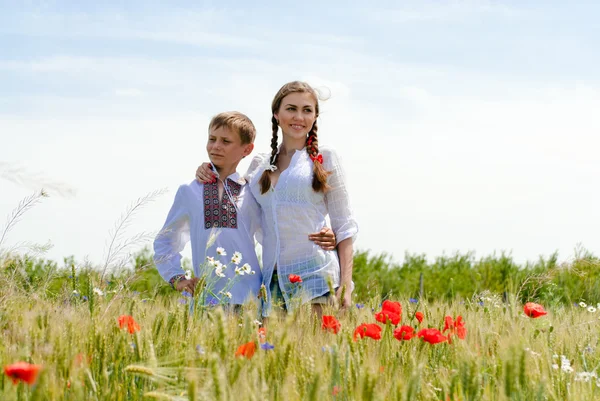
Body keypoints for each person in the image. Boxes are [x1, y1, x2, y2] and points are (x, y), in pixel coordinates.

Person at [196, 82, 358, 315]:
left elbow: (345, 225)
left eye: (307, 110)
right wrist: (210, 168)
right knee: (271, 351)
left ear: (315, 117)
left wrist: (345, 285)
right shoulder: (259, 165)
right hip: (272, 282)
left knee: (315, 351)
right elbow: (238, 211)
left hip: (317, 276)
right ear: (277, 115)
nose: (299, 117)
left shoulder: (325, 157)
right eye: (291, 109)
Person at [155, 111, 336, 310]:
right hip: (206, 298)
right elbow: (165, 241)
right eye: (212, 139)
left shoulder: (253, 191)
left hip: (251, 300)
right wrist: (177, 278)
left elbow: (276, 233)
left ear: (246, 149)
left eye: (226, 141)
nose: (216, 146)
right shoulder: (189, 191)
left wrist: (324, 235)